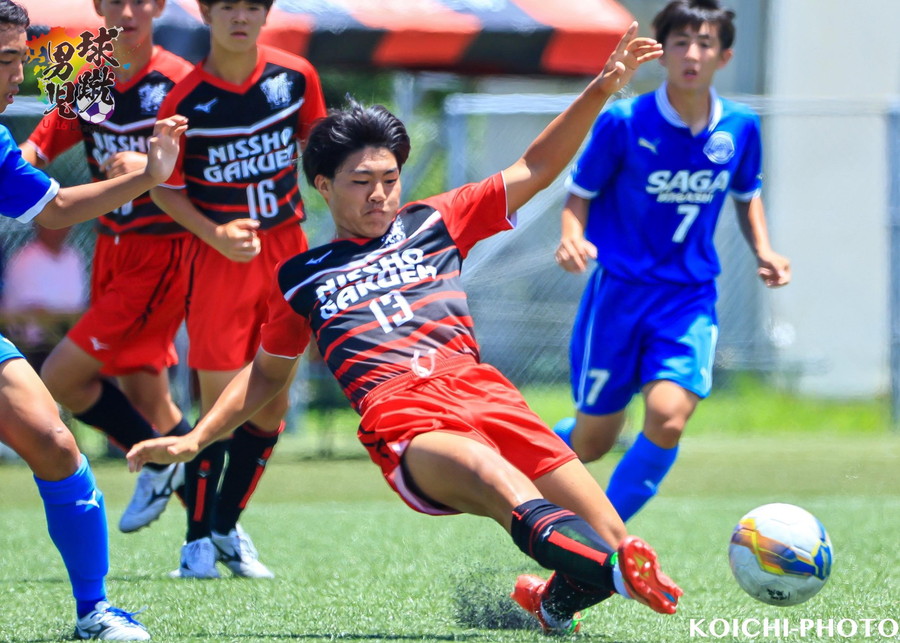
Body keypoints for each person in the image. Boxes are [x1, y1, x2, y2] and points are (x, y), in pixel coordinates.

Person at [129, 23, 682, 635]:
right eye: (361, 182)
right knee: (497, 479)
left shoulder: (436, 221)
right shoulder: (301, 276)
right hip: (405, 412)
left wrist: (603, 86)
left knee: (609, 534)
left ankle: (554, 602)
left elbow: (537, 165)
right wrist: (197, 438)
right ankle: (620, 575)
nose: (380, 195)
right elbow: (264, 377)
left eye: (389, 180)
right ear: (323, 185)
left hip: (483, 390)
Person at [551, 0, 791, 524]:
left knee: (667, 417)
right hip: (618, 296)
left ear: (724, 57)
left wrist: (765, 250)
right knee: (592, 442)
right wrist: (571, 237)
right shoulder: (623, 122)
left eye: (705, 44)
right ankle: (522, 457)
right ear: (662, 53)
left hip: (687, 298)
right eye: (681, 42)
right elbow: (579, 195)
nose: (692, 54)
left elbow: (747, 195)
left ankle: (601, 538)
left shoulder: (741, 127)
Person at [0, 0, 187, 637]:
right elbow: (48, 140)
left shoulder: (180, 80)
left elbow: (53, 207)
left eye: (20, 60)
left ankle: (96, 609)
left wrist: (152, 174)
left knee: (57, 437)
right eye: (6, 61)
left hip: (159, 258)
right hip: (123, 262)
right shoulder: (90, 77)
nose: (18, 76)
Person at [149, 0, 327, 579]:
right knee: (219, 406)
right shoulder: (183, 99)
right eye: (227, 6)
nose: (240, 17)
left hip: (288, 252)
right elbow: (163, 187)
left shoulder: (296, 76)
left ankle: (225, 527)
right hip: (220, 260)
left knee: (273, 403)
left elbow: (326, 155)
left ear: (267, 13)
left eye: (252, 6)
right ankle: (195, 543)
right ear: (206, 12)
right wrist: (215, 233)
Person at [2, 222, 87, 370]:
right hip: (36, 348)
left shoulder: (74, 258)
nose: (60, 228)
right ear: (39, 226)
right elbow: (32, 311)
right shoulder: (25, 259)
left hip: (70, 340)